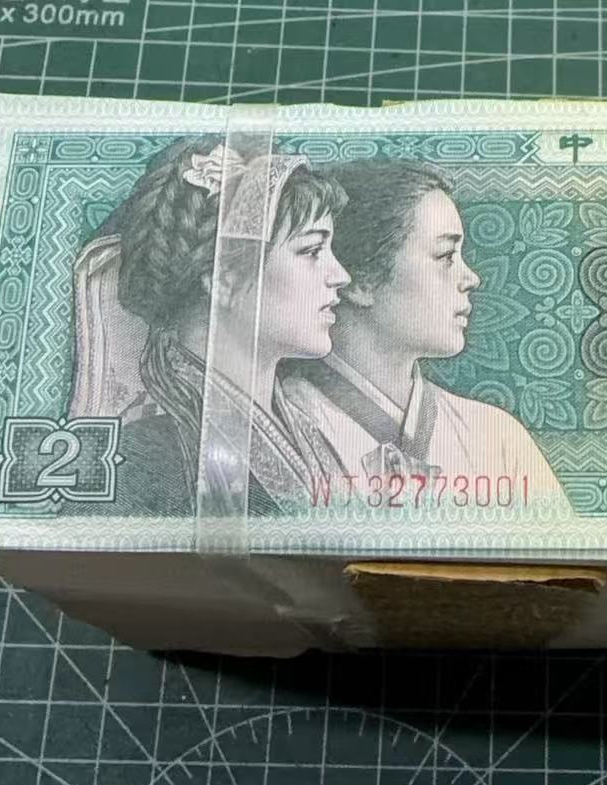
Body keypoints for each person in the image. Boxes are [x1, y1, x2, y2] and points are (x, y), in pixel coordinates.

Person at [69, 137, 353, 516]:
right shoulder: (139, 460)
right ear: (223, 278)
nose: (341, 275)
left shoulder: (307, 430)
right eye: (312, 250)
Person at [284, 161, 566, 503]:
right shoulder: (283, 428)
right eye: (445, 256)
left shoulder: (497, 438)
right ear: (361, 281)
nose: (471, 278)